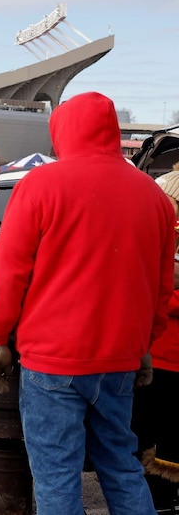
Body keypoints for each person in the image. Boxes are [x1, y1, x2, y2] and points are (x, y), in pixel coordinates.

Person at [0, 92, 172, 515]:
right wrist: (144, 345)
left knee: (56, 476)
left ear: (62, 131)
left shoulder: (39, 187)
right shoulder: (154, 196)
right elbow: (161, 287)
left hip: (54, 359)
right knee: (121, 466)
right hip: (120, 358)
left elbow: (9, 275)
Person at [132, 165, 179, 514]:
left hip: (166, 355)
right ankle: (158, 500)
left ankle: (160, 501)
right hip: (157, 353)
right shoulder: (160, 233)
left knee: (164, 436)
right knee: (151, 434)